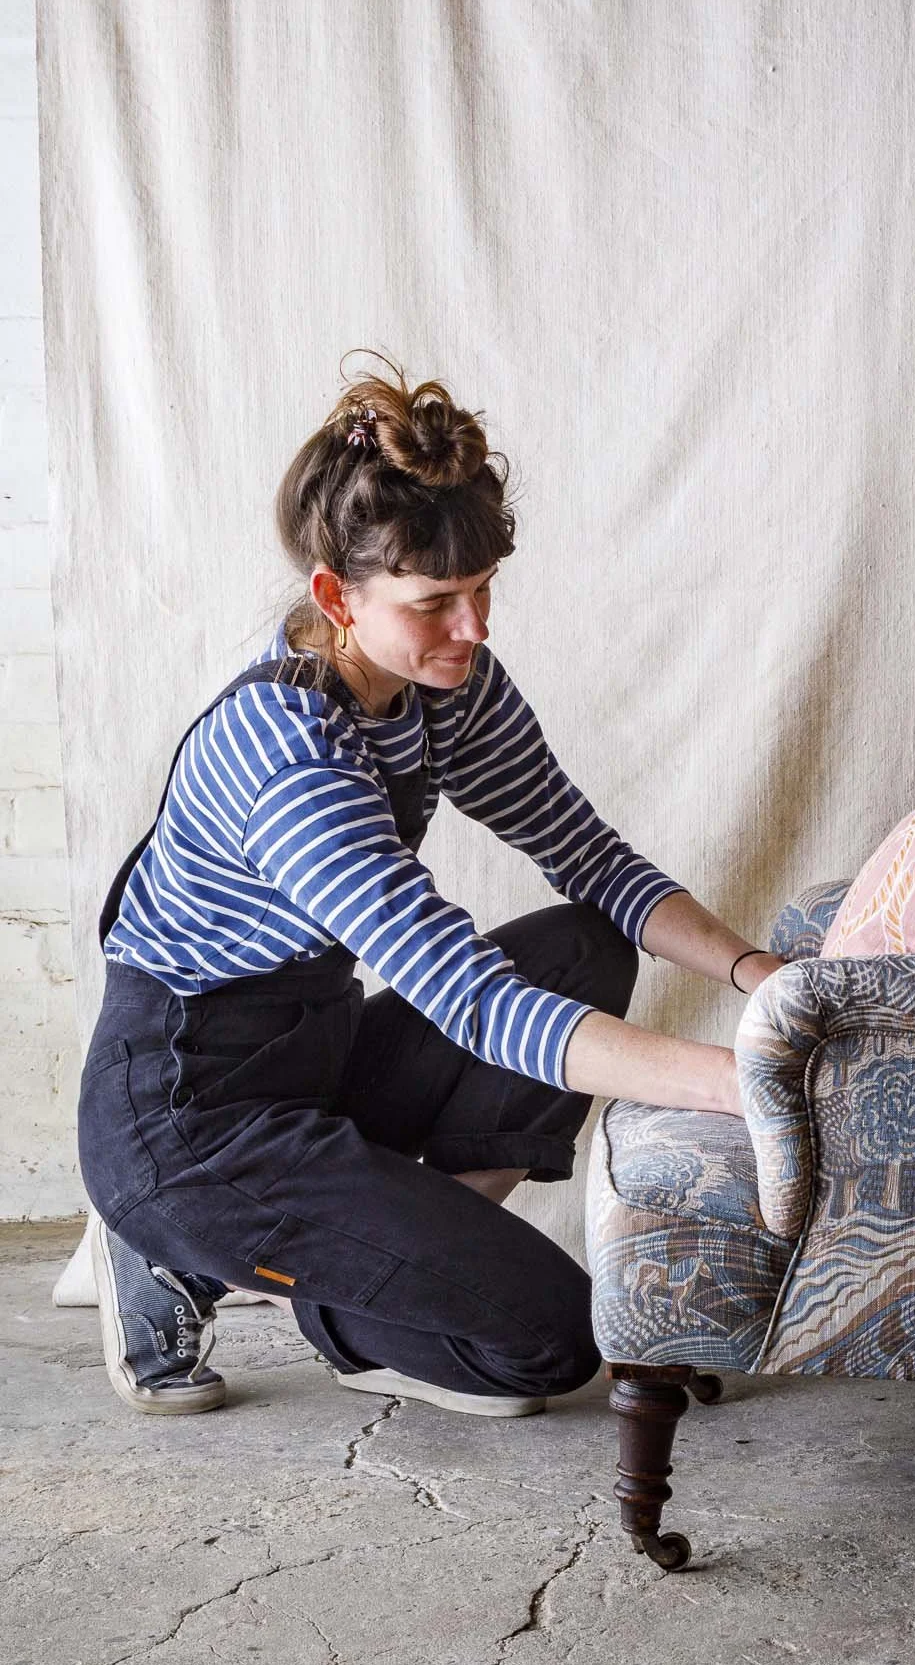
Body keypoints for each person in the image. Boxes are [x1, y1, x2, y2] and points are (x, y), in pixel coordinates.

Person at [77, 357, 786, 1421]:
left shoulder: (438, 680)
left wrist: (757, 970)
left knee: (586, 940)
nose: (474, 628)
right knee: (549, 1340)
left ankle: (403, 1254)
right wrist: (744, 1083)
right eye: (437, 601)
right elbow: (470, 997)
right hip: (189, 1115)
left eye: (483, 590)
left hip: (311, 1054)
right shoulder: (287, 752)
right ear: (336, 596)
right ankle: (233, 1262)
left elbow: (585, 851)